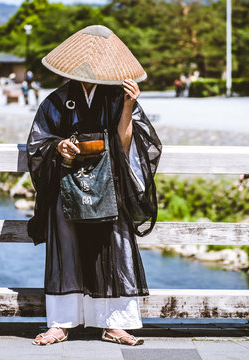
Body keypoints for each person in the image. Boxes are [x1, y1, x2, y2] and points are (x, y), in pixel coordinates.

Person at [26, 25, 161, 346]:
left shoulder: (118, 97)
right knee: (66, 250)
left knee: (112, 250)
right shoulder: (56, 101)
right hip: (66, 184)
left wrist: (128, 105)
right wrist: (59, 147)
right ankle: (60, 323)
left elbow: (129, 144)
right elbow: (38, 144)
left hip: (110, 185)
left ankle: (114, 324)